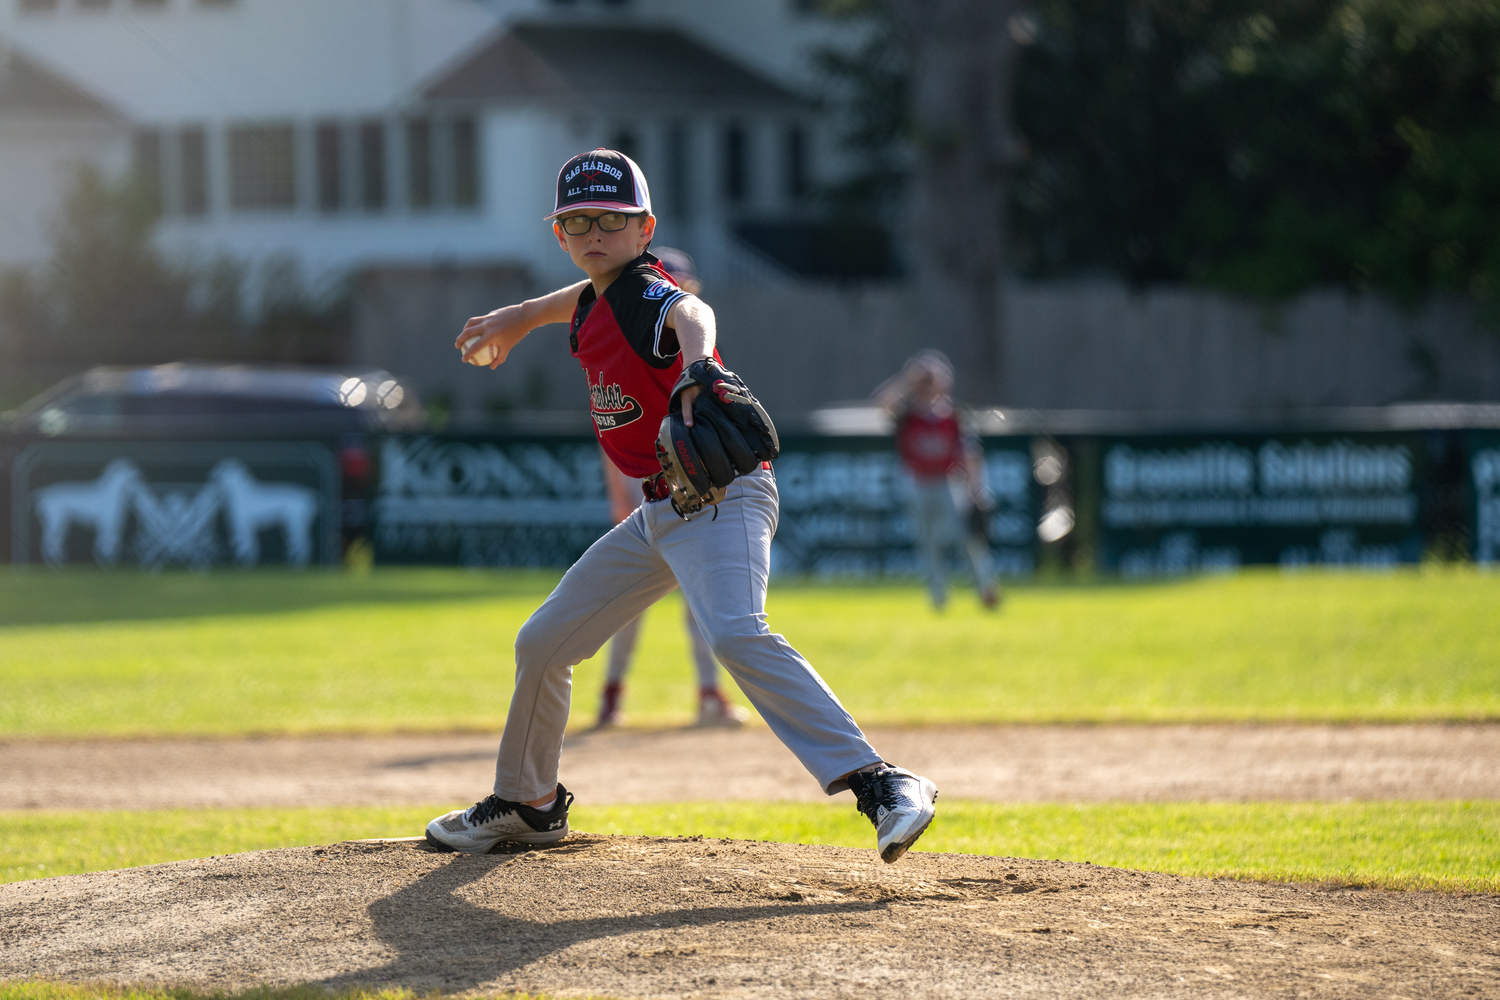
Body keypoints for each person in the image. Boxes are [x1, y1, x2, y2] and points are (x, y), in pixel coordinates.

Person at [427, 148, 938, 863]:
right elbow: (568, 302)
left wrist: (699, 363)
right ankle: (528, 804)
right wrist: (515, 316)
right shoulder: (593, 298)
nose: (594, 234)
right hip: (664, 513)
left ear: (645, 230)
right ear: (561, 236)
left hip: (723, 499)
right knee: (543, 643)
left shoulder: (645, 293)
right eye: (577, 223)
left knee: (734, 634)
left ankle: (881, 781)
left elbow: (691, 310)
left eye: (612, 220)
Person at [596, 442, 750, 728]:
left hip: (685, 493)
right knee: (628, 610)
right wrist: (617, 496)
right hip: (639, 492)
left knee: (700, 604)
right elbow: (610, 439)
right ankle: (611, 694)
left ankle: (710, 695)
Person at [875, 349, 1000, 610]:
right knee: (928, 542)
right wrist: (908, 379)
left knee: (968, 538)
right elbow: (881, 402)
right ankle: (939, 597)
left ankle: (986, 588)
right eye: (926, 379)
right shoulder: (907, 415)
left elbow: (970, 454)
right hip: (917, 482)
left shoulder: (953, 415)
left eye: (933, 378)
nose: (928, 384)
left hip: (949, 482)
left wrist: (976, 489)